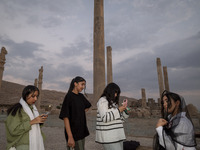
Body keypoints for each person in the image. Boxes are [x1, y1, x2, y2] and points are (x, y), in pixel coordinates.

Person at [5, 85, 47, 150]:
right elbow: (13, 131)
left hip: (35, 144)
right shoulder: (17, 110)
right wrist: (32, 121)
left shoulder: (33, 109)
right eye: (33, 96)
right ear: (25, 95)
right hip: (22, 146)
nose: (35, 99)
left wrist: (40, 121)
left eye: (36, 96)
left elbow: (34, 127)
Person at [59, 76, 91, 150]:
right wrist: (70, 137)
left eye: (84, 85)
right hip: (73, 133)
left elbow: (88, 105)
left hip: (82, 132)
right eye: (82, 84)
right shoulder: (69, 96)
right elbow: (65, 117)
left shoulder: (81, 96)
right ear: (75, 84)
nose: (83, 87)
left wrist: (80, 111)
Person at [95, 82, 129, 150]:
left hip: (117, 136)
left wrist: (124, 111)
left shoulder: (113, 103)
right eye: (115, 92)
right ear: (110, 91)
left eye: (117, 93)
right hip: (109, 138)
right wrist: (119, 110)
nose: (116, 95)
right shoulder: (102, 101)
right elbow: (105, 117)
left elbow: (121, 120)